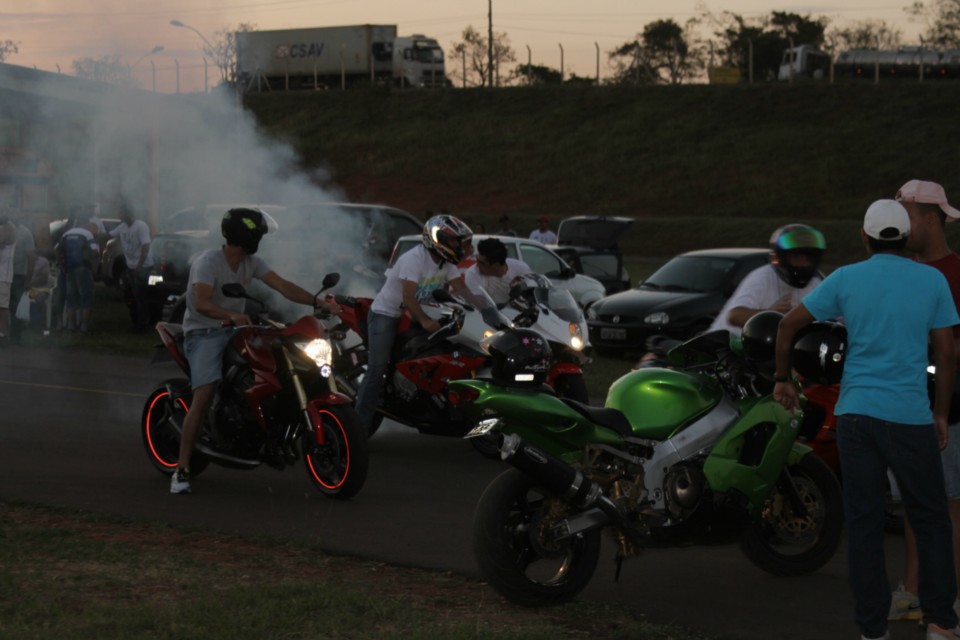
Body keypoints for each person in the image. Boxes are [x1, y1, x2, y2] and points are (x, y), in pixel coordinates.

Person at [773, 199, 960, 640]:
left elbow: (787, 327)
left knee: (863, 525)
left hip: (856, 417)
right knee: (932, 518)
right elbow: (948, 353)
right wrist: (941, 413)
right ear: (906, 237)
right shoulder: (931, 280)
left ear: (865, 237)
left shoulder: (845, 279)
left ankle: (873, 629)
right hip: (910, 418)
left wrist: (782, 379)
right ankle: (941, 623)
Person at [171, 207, 340, 495]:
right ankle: (182, 468)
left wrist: (317, 301)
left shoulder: (252, 262)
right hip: (204, 333)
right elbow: (200, 303)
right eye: (258, 234)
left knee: (279, 361)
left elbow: (284, 286)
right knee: (204, 394)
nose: (261, 240)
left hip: (236, 329)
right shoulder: (208, 262)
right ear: (245, 235)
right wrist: (231, 314)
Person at [890, 179, 960, 624]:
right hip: (909, 405)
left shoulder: (956, 272)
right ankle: (914, 591)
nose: (900, 225)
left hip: (951, 406)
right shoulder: (902, 271)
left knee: (950, 503)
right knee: (917, 502)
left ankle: (948, 599)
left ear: (932, 219)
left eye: (908, 216)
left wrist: (940, 348)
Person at [354, 214, 482, 433]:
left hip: (416, 314)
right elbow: (408, 299)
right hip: (387, 314)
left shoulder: (445, 262)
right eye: (453, 241)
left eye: (458, 242)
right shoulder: (414, 259)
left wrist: (486, 309)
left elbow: (461, 288)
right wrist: (425, 321)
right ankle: (357, 427)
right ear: (437, 239)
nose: (458, 246)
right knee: (377, 369)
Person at [710, 224, 825, 336]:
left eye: (807, 258)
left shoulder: (815, 283)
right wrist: (770, 314)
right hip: (726, 347)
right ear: (781, 257)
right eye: (796, 257)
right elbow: (735, 315)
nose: (802, 264)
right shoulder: (763, 277)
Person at [109, 202, 153, 330]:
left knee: (140, 295)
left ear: (129, 214)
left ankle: (143, 324)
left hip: (143, 267)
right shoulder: (122, 227)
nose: (119, 216)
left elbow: (146, 246)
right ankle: (136, 321)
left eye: (121, 213)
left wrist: (139, 266)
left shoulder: (141, 226)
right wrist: (91, 234)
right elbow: (109, 235)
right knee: (131, 295)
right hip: (131, 267)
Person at [56, 212, 98, 333]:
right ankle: (84, 327)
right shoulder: (87, 234)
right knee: (86, 297)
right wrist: (90, 258)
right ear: (85, 223)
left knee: (71, 299)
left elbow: (57, 250)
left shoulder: (67, 234)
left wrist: (62, 265)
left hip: (69, 269)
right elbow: (95, 251)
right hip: (83, 268)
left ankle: (71, 326)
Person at [463, 237, 532, 306]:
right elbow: (479, 305)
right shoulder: (472, 273)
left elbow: (531, 297)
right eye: (476, 258)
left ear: (496, 265)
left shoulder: (521, 269)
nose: (476, 264)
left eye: (480, 262)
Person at [9, 210, 36, 343]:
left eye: (16, 213)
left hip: (19, 274)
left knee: (16, 306)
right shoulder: (2, 231)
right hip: (3, 275)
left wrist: (28, 278)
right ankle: (4, 332)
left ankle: (15, 335)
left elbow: (31, 257)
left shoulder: (25, 233)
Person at [0, 213, 15, 343]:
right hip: (2, 275)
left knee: (2, 306)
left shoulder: (8, 228)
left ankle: (3, 334)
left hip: (3, 276)